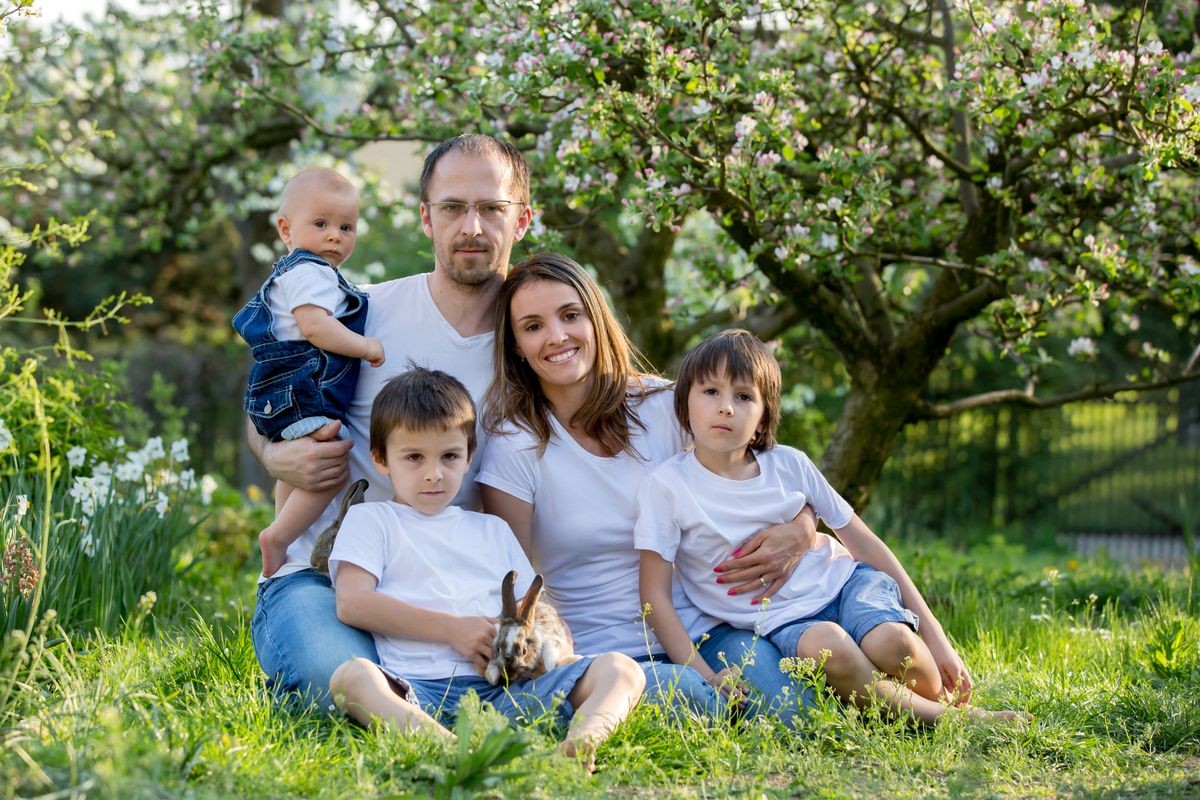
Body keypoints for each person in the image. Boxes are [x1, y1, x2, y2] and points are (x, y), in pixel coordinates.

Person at [248, 134, 533, 709]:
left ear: (521, 219)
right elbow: (269, 397)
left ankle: (416, 711)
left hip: (448, 589)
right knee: (329, 682)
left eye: (491, 209)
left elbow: (638, 394)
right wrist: (275, 456)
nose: (472, 227)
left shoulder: (538, 340)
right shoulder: (360, 312)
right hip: (322, 576)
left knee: (502, 692)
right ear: (426, 219)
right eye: (453, 207)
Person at [477, 253, 820, 726]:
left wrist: (803, 526)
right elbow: (510, 575)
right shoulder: (514, 445)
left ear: (597, 320)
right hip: (608, 653)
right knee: (701, 702)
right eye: (533, 326)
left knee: (795, 709)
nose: (557, 336)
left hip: (703, 629)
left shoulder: (665, 405)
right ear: (516, 345)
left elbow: (775, 471)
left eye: (571, 316)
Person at [636, 329, 1029, 724]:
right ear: (684, 405)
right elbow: (655, 596)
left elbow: (866, 544)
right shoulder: (668, 486)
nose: (726, 408)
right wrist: (706, 676)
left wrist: (938, 640)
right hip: (781, 620)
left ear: (762, 420)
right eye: (710, 392)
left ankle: (928, 703)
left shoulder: (790, 465)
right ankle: (954, 721)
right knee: (830, 647)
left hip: (846, 584)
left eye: (743, 396)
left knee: (894, 644)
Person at [329, 368, 644, 769]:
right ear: (380, 459)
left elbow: (538, 614)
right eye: (413, 457)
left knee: (621, 669)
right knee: (351, 678)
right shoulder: (373, 521)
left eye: (449, 456)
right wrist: (451, 629)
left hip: (504, 690)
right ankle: (448, 749)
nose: (434, 473)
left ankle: (581, 743)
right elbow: (353, 604)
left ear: (469, 455)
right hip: (420, 692)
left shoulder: (491, 528)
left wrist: (535, 651)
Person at [233, 167, 386, 579]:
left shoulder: (298, 273)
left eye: (346, 226)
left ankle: (282, 529)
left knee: (300, 465)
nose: (335, 236)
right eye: (321, 224)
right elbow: (317, 327)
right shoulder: (310, 273)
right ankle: (280, 536)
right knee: (328, 466)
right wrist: (366, 346)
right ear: (286, 229)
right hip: (303, 388)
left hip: (280, 389)